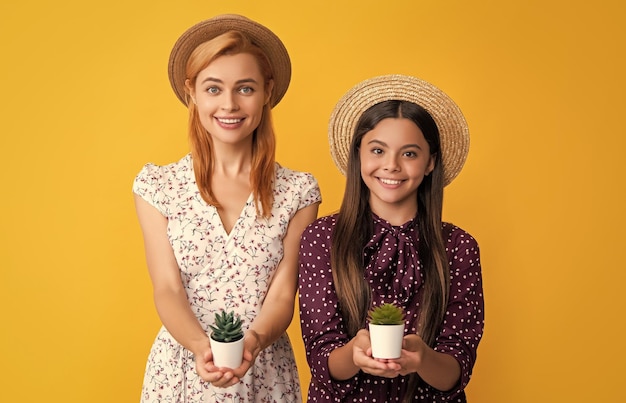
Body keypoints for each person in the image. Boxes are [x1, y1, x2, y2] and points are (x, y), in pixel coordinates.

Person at [133, 14, 320, 403]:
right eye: (213, 88)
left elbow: (284, 295)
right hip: (182, 369)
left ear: (267, 91)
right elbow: (166, 289)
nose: (229, 104)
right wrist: (202, 347)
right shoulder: (157, 186)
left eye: (245, 88)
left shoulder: (298, 192)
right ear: (192, 93)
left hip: (264, 371)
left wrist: (250, 343)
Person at [298, 74, 484, 402]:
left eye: (409, 154)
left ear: (430, 162)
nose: (391, 166)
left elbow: (458, 366)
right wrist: (354, 353)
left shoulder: (458, 247)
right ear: (359, 155)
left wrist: (423, 359)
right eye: (378, 150)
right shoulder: (321, 238)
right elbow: (321, 356)